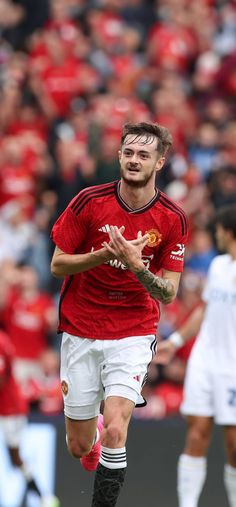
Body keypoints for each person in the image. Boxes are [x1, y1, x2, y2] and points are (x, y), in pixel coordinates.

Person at [50, 121, 188, 507]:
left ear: (159, 162)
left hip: (132, 330)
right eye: (128, 152)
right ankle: (89, 436)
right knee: (79, 447)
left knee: (116, 427)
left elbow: (170, 292)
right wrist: (104, 255)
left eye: (144, 154)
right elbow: (58, 266)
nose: (134, 160)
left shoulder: (172, 219)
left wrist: (138, 266)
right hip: (81, 326)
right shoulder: (89, 202)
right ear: (118, 155)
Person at [157, 203, 236, 507]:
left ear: (228, 232)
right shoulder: (217, 266)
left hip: (232, 367)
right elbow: (205, 309)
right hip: (204, 361)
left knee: (232, 443)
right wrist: (175, 341)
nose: (215, 235)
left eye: (217, 230)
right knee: (197, 433)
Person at [0, 329, 42, 502]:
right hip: (11, 407)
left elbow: (1, 379)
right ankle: (43, 497)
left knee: (15, 458)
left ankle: (42, 497)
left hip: (10, 409)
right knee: (15, 459)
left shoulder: (1, 342)